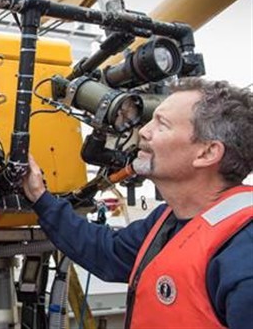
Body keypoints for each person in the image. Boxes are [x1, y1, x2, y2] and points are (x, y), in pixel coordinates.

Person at [23, 77, 252, 329]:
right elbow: (106, 252)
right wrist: (40, 197)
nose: (143, 131)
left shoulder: (243, 253)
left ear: (207, 153)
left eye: (162, 124)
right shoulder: (169, 220)